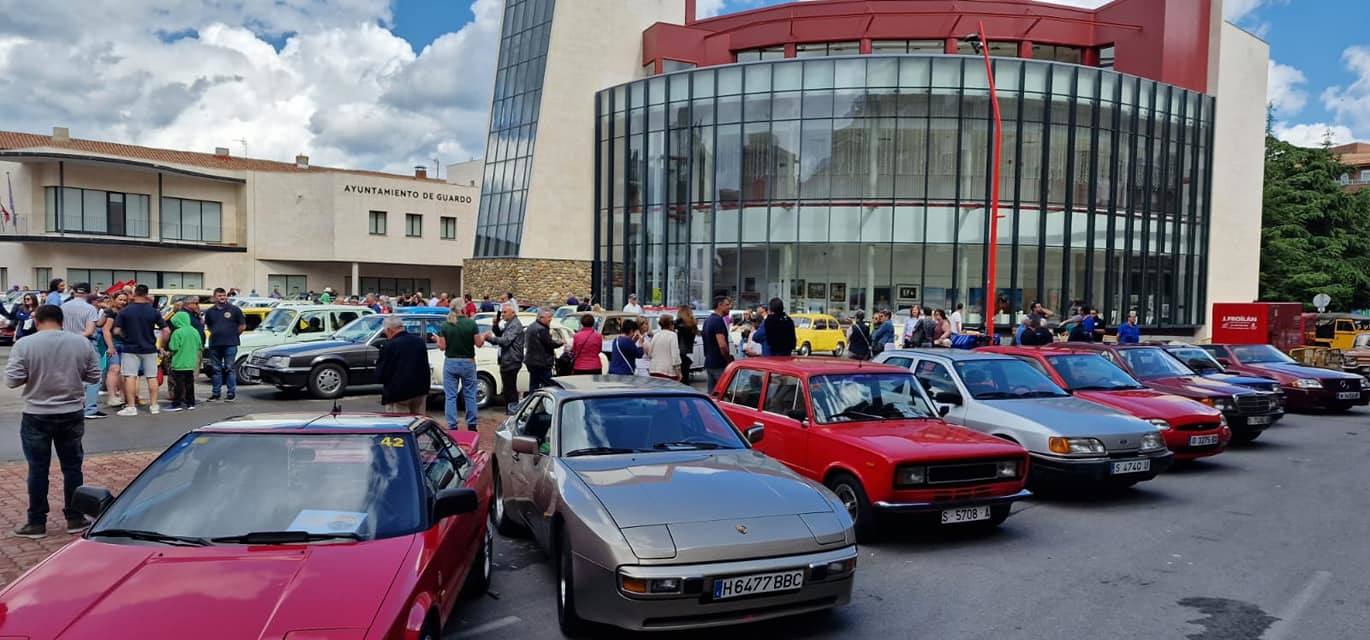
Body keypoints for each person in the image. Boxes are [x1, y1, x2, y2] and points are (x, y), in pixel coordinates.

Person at [5, 304, 101, 539]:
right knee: (72, 467)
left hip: (36, 413)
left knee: (37, 469)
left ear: (37, 321)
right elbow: (94, 376)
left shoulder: (25, 344)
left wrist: (34, 374)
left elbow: (12, 380)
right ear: (62, 321)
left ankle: (36, 522)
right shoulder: (81, 343)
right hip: (71, 411)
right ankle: (75, 517)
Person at [114, 284, 167, 416]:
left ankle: (131, 406)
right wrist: (161, 345)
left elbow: (116, 330)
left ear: (134, 294)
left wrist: (125, 336)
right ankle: (154, 405)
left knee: (130, 376)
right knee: (152, 376)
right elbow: (166, 330)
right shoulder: (153, 311)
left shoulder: (125, 311)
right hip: (149, 347)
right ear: (146, 294)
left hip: (130, 348)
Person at [60, 284, 105, 420]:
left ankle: (70, 406)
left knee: (70, 375)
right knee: (93, 376)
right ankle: (90, 409)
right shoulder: (90, 308)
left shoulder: (63, 307)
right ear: (88, 293)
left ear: (74, 292)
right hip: (86, 343)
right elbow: (90, 331)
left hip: (66, 342)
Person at [437, 307, 485, 431]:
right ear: (462, 309)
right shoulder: (471, 324)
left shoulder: (446, 325)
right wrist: (484, 336)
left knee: (450, 396)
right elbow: (479, 344)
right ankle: (471, 423)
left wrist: (437, 339)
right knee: (470, 394)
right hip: (468, 361)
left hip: (451, 362)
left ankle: (452, 424)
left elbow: (442, 347)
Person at [374, 316, 430, 415]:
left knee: (399, 421)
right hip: (420, 390)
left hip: (398, 393)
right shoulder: (419, 341)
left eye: (385, 331)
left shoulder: (389, 346)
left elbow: (382, 372)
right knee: (419, 420)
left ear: (389, 330)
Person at [203, 288, 246, 402]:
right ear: (214, 297)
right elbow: (209, 326)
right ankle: (216, 394)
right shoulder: (210, 311)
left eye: (224, 295)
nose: (222, 298)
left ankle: (231, 394)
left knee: (229, 368)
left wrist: (233, 335)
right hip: (215, 344)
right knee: (216, 369)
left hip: (230, 344)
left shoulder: (234, 309)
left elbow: (242, 326)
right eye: (219, 296)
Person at [484, 304, 526, 410]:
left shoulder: (515, 325)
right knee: (508, 387)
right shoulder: (509, 324)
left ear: (513, 313)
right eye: (502, 312)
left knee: (510, 388)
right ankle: (510, 408)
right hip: (508, 359)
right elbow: (501, 335)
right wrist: (495, 325)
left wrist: (489, 338)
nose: (502, 314)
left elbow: (505, 341)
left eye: (505, 312)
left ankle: (512, 409)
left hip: (512, 359)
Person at [165, 310, 202, 412]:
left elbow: (173, 347)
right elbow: (199, 345)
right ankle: (191, 403)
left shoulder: (177, 332)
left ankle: (177, 404)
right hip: (191, 362)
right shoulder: (194, 331)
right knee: (189, 384)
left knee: (178, 385)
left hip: (179, 362)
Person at [100, 292, 129, 408]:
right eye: (120, 299)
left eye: (125, 300)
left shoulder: (125, 312)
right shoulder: (111, 313)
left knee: (123, 372)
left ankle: (123, 397)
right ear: (114, 299)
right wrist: (110, 346)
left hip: (125, 344)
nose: (123, 302)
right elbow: (105, 330)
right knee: (114, 369)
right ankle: (112, 397)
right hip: (114, 344)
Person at [524, 309, 562, 392]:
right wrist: (561, 342)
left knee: (534, 384)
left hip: (532, 361)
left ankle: (533, 399)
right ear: (541, 317)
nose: (550, 319)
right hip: (541, 362)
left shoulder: (532, 326)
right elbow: (550, 344)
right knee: (549, 385)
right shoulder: (542, 329)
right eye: (549, 317)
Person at [702, 296, 734, 391]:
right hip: (719, 364)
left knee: (712, 393)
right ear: (719, 305)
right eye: (727, 305)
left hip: (709, 362)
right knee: (724, 391)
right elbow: (722, 345)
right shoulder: (717, 321)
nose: (730, 307)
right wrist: (728, 359)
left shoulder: (708, 320)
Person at [646, 315, 682, 380]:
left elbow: (650, 354)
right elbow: (675, 356)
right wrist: (678, 372)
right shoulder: (673, 335)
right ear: (671, 324)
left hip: (654, 369)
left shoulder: (656, 335)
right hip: (668, 371)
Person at [675, 306, 697, 381]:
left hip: (680, 353)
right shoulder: (692, 325)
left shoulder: (679, 325)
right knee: (685, 376)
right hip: (688, 352)